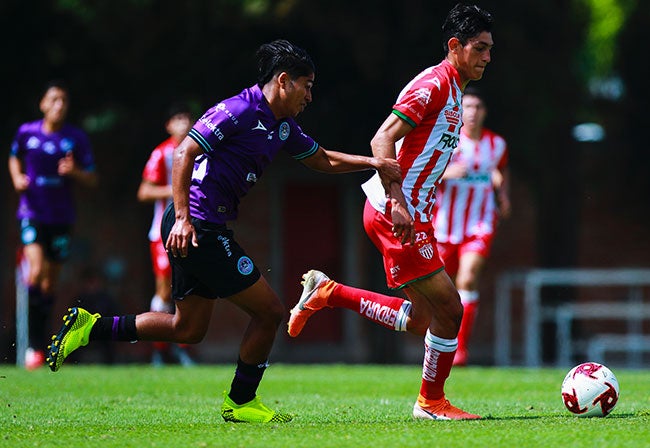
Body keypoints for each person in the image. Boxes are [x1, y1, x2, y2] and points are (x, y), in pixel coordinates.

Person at [46, 39, 401, 423]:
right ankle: (242, 402)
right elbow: (184, 153)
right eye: (307, 85)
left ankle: (91, 327)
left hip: (203, 224)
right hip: (197, 225)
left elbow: (321, 159)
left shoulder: (282, 126)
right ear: (284, 81)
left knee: (188, 327)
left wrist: (373, 162)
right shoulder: (239, 109)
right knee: (270, 312)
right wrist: (182, 218)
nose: (310, 96)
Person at [288, 3, 493, 420]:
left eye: (490, 49)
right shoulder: (433, 84)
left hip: (413, 213)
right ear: (455, 46)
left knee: (422, 319)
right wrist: (398, 198)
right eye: (480, 48)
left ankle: (329, 293)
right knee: (450, 309)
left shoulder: (456, 89)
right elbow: (382, 140)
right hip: (396, 211)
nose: (487, 57)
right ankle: (431, 403)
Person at [9, 80, 97, 370]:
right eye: (54, 100)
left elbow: (93, 179)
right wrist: (17, 177)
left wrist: (75, 172)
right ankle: (31, 345)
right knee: (35, 272)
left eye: (64, 101)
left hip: (61, 218)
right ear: (43, 105)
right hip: (31, 213)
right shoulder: (27, 132)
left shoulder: (75, 139)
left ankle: (41, 340)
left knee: (49, 283)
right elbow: (13, 157)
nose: (59, 105)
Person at [432, 87, 510, 367]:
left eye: (478, 107)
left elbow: (501, 169)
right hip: (445, 225)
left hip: (480, 223)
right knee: (438, 289)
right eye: (468, 107)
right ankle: (439, 346)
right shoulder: (448, 142)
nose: (473, 113)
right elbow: (426, 172)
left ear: (484, 112)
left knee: (467, 278)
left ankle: (460, 350)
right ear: (460, 112)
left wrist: (504, 195)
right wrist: (448, 173)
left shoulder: (496, 144)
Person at [137, 103, 195, 367]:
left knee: (187, 287)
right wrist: (176, 191)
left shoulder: (200, 151)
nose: (183, 123)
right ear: (169, 125)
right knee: (163, 289)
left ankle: (181, 347)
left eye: (187, 118)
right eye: (178, 118)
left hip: (192, 228)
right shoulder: (161, 154)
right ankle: (159, 349)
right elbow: (144, 192)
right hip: (162, 231)